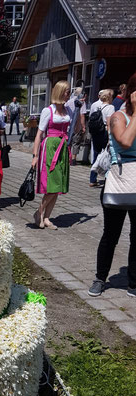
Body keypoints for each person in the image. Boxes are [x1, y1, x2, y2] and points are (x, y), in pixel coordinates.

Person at [88, 74, 136, 298]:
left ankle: (133, 283)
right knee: (111, 234)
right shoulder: (118, 117)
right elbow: (125, 142)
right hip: (118, 181)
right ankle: (100, 278)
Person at [31, 80, 72, 229]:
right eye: (67, 92)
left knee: (58, 184)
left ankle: (46, 217)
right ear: (60, 92)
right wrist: (35, 156)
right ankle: (39, 212)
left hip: (62, 148)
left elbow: (75, 128)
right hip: (50, 148)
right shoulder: (48, 110)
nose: (69, 95)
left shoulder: (68, 111)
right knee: (52, 184)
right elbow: (39, 133)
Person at [89, 89, 114, 187]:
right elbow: (109, 123)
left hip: (96, 133)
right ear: (109, 97)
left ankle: (92, 179)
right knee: (107, 155)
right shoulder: (110, 107)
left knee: (96, 155)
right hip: (104, 132)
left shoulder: (97, 106)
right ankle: (107, 178)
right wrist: (110, 137)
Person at [66, 87, 87, 165]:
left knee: (69, 141)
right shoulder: (81, 102)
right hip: (76, 124)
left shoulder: (69, 101)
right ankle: (73, 159)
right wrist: (83, 126)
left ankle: (68, 157)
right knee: (76, 142)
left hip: (69, 124)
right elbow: (82, 115)